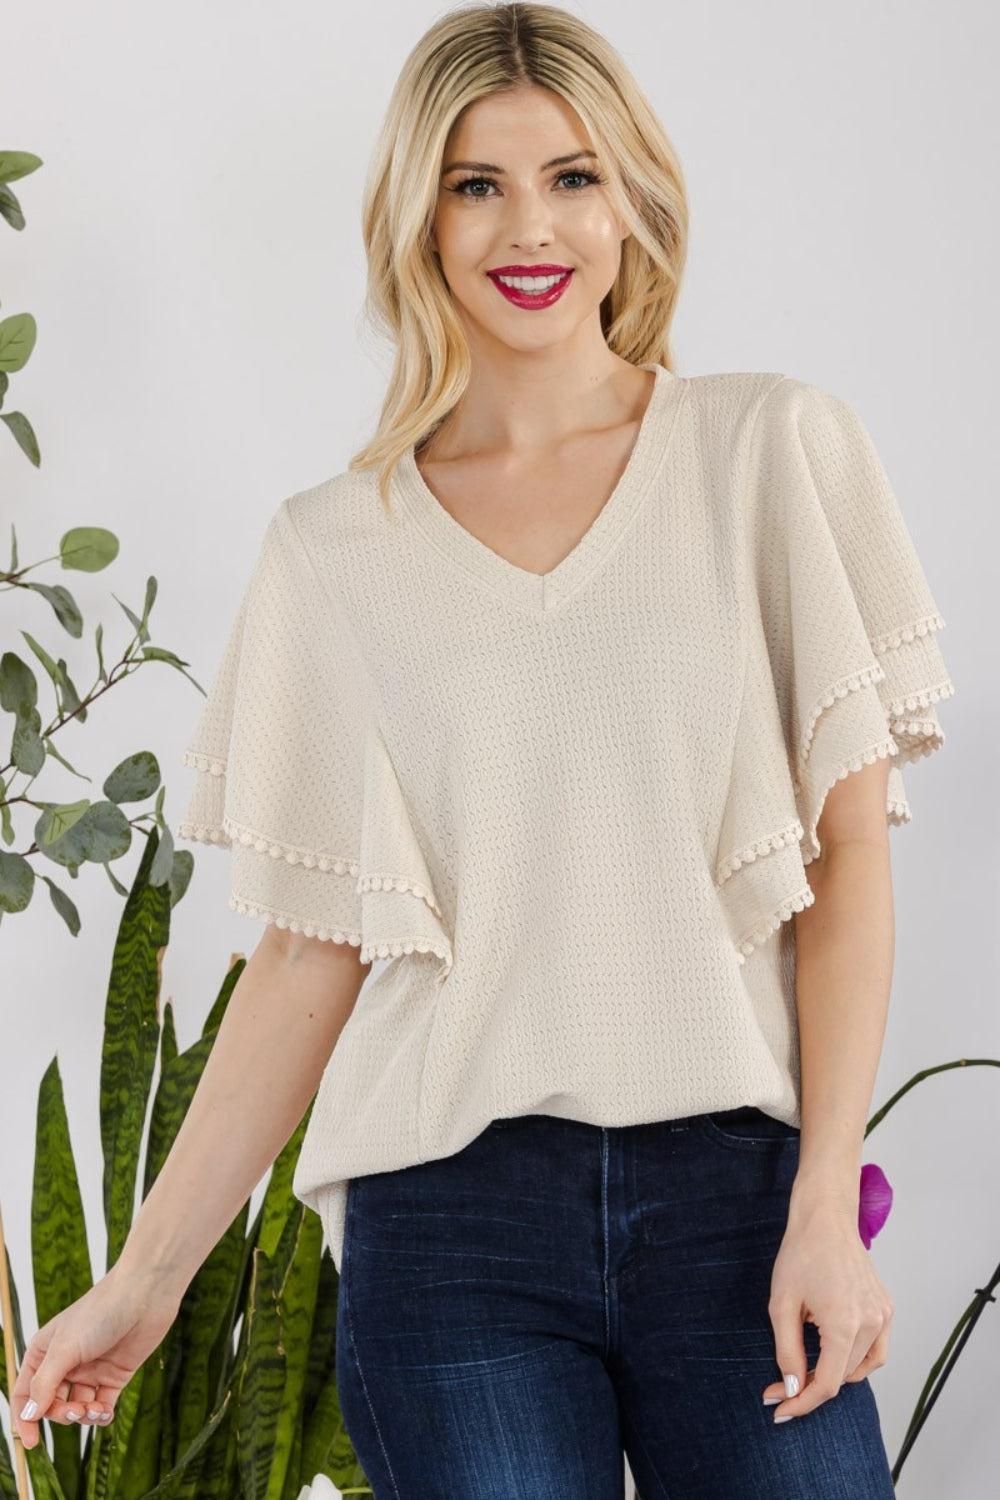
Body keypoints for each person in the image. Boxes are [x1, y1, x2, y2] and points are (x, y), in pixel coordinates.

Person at [12, 4, 957, 1496]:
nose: (532, 227)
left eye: (574, 177)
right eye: (476, 184)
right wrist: (145, 1280)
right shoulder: (334, 552)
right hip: (451, 1231)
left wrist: (826, 1201)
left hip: (738, 1194)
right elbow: (308, 955)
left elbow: (843, 863)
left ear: (636, 200)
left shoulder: (769, 452)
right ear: (419, 219)